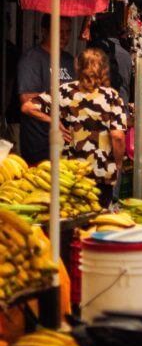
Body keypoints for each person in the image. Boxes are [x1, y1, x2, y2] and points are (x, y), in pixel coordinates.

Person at [21, 48, 126, 207]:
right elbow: (118, 136)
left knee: (73, 217)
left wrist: (52, 120)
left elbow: (27, 107)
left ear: (77, 67)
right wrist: (118, 164)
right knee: (98, 219)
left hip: (70, 174)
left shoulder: (64, 91)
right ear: (104, 70)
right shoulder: (112, 97)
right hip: (102, 174)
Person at [17, 15, 75, 165]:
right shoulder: (32, 59)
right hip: (39, 145)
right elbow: (27, 101)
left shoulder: (69, 60)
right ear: (44, 32)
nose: (64, 36)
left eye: (68, 32)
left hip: (65, 145)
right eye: (59, 31)